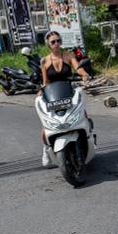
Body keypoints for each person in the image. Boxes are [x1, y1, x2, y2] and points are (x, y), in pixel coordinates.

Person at [38, 31, 91, 167]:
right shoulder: (44, 61)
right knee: (47, 125)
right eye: (53, 42)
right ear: (48, 44)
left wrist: (84, 74)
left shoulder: (68, 55)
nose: (56, 44)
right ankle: (46, 149)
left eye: (58, 41)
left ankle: (87, 136)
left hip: (69, 91)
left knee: (82, 113)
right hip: (53, 95)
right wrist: (40, 91)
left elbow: (77, 68)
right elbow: (45, 82)